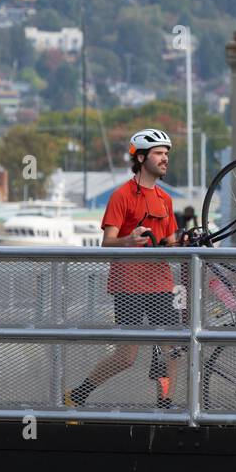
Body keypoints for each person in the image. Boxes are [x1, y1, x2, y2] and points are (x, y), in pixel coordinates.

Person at [65, 128, 182, 409]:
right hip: (128, 284)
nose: (165, 158)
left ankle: (164, 407)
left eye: (166, 154)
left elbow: (170, 244)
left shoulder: (165, 199)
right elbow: (107, 242)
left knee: (173, 350)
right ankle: (77, 395)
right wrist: (129, 240)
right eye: (158, 153)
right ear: (141, 157)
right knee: (126, 357)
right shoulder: (122, 195)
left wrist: (189, 242)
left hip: (161, 284)